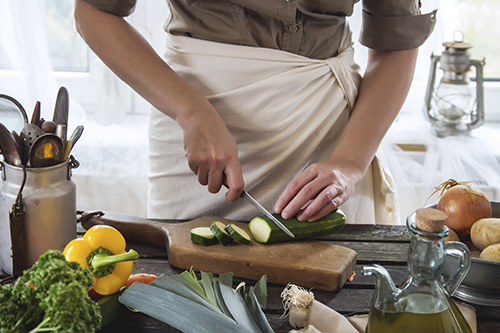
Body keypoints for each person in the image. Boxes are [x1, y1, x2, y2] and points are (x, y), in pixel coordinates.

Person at [74, 0, 436, 224]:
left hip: (328, 136)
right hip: (194, 131)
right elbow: (93, 10)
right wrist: (191, 111)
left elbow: (397, 43)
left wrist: (348, 164)